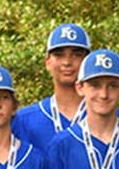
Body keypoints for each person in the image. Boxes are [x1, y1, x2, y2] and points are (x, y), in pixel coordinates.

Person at [13, 24, 91, 152]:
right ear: (48, 62)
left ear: (88, 61)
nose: (67, 62)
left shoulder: (109, 117)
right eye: (59, 55)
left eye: (76, 55)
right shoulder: (24, 120)